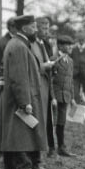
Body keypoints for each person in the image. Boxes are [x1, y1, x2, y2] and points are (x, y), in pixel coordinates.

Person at [0, 15, 48, 169]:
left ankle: (24, 165)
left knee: (21, 132)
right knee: (20, 134)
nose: (36, 30)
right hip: (21, 98)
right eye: (34, 27)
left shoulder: (18, 44)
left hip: (21, 96)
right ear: (25, 29)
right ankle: (22, 167)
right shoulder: (19, 46)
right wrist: (25, 102)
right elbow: (19, 77)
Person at [29, 19, 55, 157]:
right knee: (37, 119)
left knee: (46, 119)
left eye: (47, 28)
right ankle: (35, 154)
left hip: (46, 86)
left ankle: (44, 150)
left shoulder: (44, 44)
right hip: (37, 86)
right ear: (36, 28)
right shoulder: (31, 44)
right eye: (44, 28)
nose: (46, 31)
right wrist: (45, 66)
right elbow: (31, 65)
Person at [51, 34, 77, 157]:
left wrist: (72, 98)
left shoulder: (70, 61)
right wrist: (52, 97)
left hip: (65, 96)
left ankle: (61, 147)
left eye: (71, 45)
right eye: (68, 45)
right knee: (52, 122)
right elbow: (49, 81)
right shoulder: (54, 59)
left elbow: (70, 81)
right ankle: (51, 148)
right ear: (60, 46)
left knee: (61, 122)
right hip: (55, 97)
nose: (70, 47)